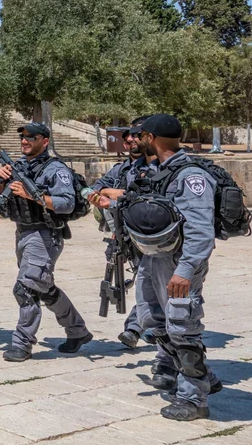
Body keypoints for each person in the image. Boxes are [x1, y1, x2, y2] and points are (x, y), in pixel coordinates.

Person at [126, 114, 222, 421]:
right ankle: (203, 375)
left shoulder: (190, 176)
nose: (136, 139)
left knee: (182, 327)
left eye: (140, 135)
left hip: (178, 263)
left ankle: (193, 400)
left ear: (152, 138)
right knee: (152, 320)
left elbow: (201, 230)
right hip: (153, 259)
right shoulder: (159, 171)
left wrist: (186, 269)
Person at [0, 122, 91, 362]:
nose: (25, 141)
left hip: (45, 235)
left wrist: (34, 196)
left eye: (31, 137)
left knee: (26, 289)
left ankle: (22, 344)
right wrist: (1, 181)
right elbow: (2, 206)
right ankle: (77, 331)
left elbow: (67, 203)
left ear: (44, 141)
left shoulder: (55, 169)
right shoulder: (18, 166)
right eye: (23, 137)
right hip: (23, 233)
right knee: (44, 289)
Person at [87, 118, 152, 349]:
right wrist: (106, 191)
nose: (132, 140)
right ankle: (150, 324)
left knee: (148, 281)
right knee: (148, 281)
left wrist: (119, 194)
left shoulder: (157, 166)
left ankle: (135, 327)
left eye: (136, 135)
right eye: (128, 138)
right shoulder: (120, 169)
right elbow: (91, 189)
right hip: (126, 234)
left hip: (151, 234)